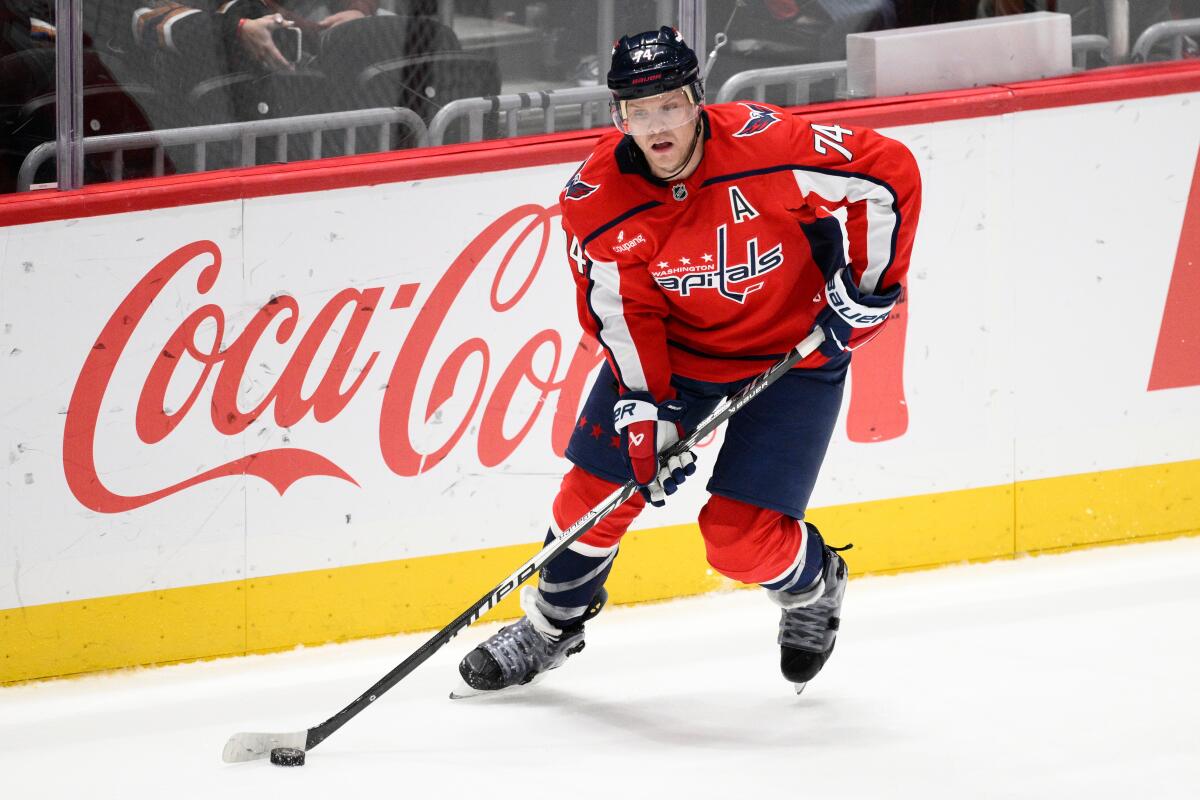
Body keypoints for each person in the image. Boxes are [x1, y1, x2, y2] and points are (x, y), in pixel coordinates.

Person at [457, 27, 921, 696]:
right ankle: (553, 624)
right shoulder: (596, 199)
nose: (657, 126)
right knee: (591, 498)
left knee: (737, 539)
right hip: (678, 360)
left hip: (795, 356)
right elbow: (624, 311)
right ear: (618, 117)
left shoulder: (769, 147)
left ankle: (816, 584)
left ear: (697, 101)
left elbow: (889, 174)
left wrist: (869, 290)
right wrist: (645, 409)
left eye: (670, 105)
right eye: (638, 111)